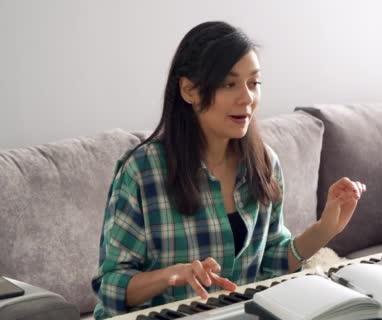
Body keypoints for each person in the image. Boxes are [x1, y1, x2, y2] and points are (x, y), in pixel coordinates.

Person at [91, 21, 366, 319]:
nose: (247, 97)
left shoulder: (264, 163)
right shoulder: (142, 173)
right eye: (229, 84)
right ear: (189, 90)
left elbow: (273, 259)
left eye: (254, 83)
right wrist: (174, 275)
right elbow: (111, 285)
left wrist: (326, 228)